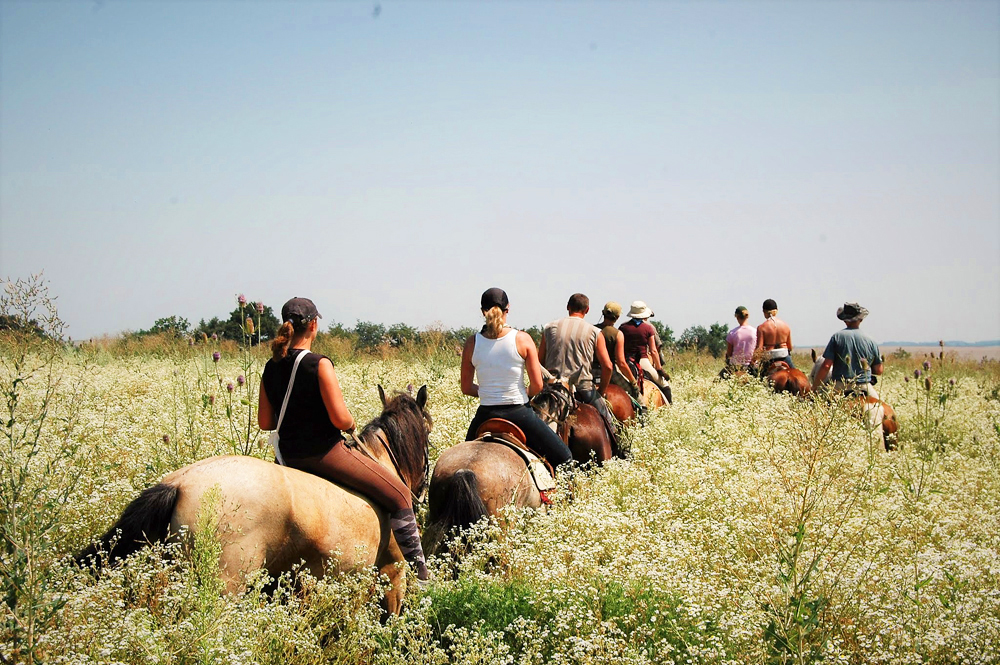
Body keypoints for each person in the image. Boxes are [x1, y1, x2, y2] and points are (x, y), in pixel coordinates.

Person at [258, 297, 429, 581]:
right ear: (313, 325)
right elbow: (341, 420)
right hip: (323, 453)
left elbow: (265, 422)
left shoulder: (271, 366)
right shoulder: (319, 364)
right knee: (400, 495)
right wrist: (349, 422)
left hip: (285, 455)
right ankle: (422, 578)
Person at [461, 288, 573, 467]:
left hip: (485, 415)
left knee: (462, 463)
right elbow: (537, 386)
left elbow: (466, 388)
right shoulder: (523, 339)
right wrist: (521, 392)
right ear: (508, 309)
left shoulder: (471, 343)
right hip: (519, 413)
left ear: (482, 311)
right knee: (564, 457)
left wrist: (490, 393)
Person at [538, 293, 619, 442]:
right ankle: (620, 448)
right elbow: (607, 366)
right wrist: (600, 392)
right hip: (583, 388)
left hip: (551, 388)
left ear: (567, 307)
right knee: (609, 421)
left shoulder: (549, 328)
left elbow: (539, 361)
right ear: (587, 310)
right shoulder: (594, 332)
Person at [812, 302, 883, 397]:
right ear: (860, 319)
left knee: (824, 407)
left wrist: (815, 387)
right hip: (864, 386)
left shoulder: (837, 337)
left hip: (840, 386)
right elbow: (879, 370)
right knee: (879, 406)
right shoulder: (871, 340)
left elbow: (826, 366)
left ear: (845, 320)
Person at [619, 301, 671, 402]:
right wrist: (659, 369)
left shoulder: (623, 327)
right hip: (642, 360)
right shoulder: (648, 328)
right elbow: (653, 350)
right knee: (664, 384)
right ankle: (669, 408)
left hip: (625, 361)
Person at [594, 301, 640, 399]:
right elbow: (621, 363)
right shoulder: (618, 334)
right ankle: (642, 412)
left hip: (590, 371)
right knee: (637, 398)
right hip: (610, 374)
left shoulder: (592, 330)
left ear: (603, 313)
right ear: (617, 317)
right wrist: (633, 382)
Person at [755, 298, 795, 371]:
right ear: (776, 311)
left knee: (759, 377)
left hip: (769, 358)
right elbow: (790, 347)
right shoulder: (786, 325)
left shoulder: (762, 327)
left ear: (764, 312)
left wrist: (754, 360)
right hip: (784, 356)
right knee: (797, 375)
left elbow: (759, 349)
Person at [722, 306, 757, 377]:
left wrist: (727, 361)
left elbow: (729, 353)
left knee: (717, 381)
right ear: (747, 316)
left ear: (736, 317)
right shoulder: (755, 332)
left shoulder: (732, 333)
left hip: (735, 366)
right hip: (751, 366)